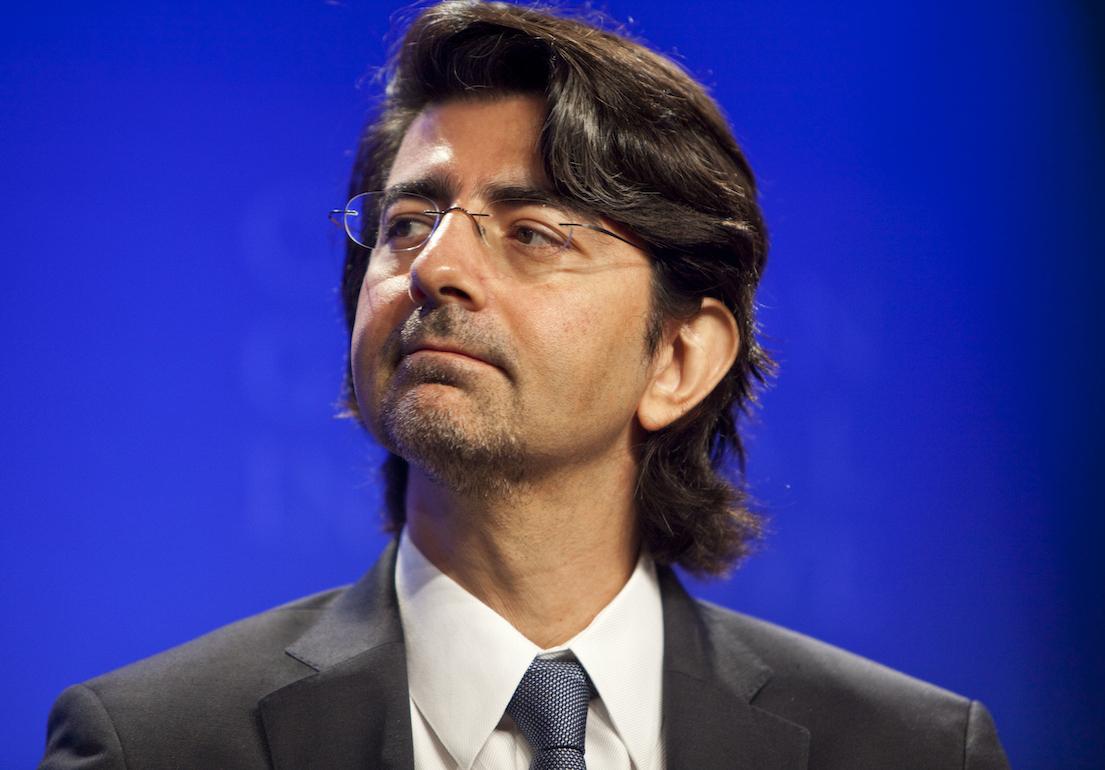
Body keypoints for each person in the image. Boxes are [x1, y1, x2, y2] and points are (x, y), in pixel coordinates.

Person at [40, 2, 1010, 768]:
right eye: (409, 220)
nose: (432, 268)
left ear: (678, 358)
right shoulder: (150, 743)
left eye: (531, 232)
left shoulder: (911, 749)